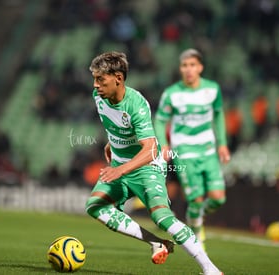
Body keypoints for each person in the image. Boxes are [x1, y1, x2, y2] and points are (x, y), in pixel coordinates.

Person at [85, 51, 223, 275]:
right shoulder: (98, 96)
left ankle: (211, 270)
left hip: (145, 167)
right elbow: (116, 124)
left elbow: (149, 149)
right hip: (120, 164)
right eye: (94, 79)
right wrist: (112, 144)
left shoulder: (137, 104)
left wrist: (120, 169)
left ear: (118, 78)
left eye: (101, 79)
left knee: (161, 217)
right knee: (95, 207)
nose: (95, 85)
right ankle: (157, 243)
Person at [154, 48, 231, 251]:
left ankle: (196, 216)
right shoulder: (172, 94)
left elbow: (219, 116)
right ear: (180, 68)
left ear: (200, 67)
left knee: (218, 198)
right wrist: (164, 144)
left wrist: (222, 143)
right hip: (184, 152)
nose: (188, 70)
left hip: (208, 151)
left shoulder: (212, 89)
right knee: (195, 199)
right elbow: (160, 121)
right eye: (185, 65)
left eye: (192, 65)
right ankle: (197, 236)